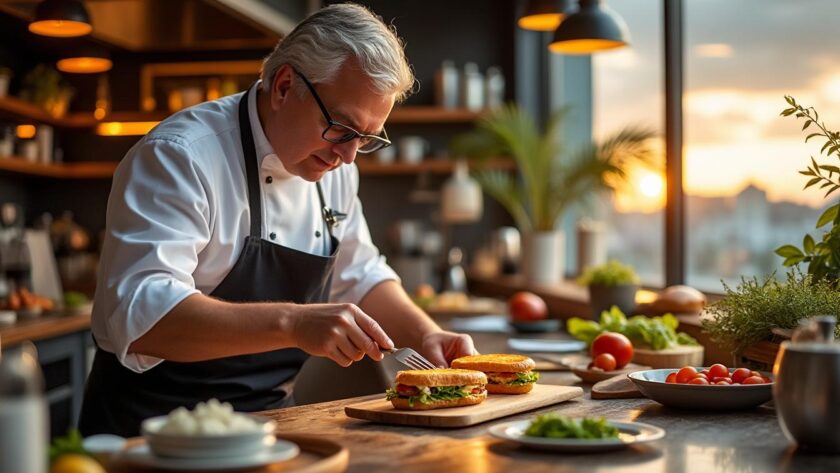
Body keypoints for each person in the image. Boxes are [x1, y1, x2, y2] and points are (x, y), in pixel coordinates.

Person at [79, 3, 476, 437]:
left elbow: (360, 274)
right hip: (151, 434)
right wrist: (293, 323)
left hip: (268, 433)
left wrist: (426, 334)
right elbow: (140, 315)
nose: (347, 156)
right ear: (285, 86)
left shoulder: (336, 170)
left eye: (365, 139)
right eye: (342, 128)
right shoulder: (180, 156)